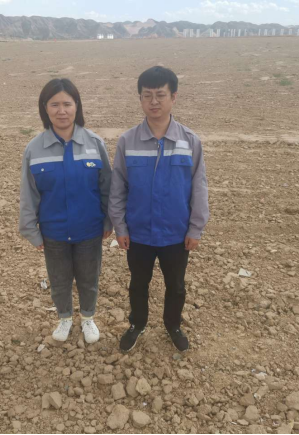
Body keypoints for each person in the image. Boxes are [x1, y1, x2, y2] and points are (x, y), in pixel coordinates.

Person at [109, 66, 209, 353]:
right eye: (147, 95)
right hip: (138, 232)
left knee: (176, 285)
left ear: (173, 97)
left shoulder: (189, 141)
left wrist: (195, 229)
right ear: (140, 99)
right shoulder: (128, 141)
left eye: (160, 95)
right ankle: (137, 324)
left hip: (176, 234)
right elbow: (118, 188)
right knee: (138, 283)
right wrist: (120, 227)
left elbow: (199, 187)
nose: (154, 101)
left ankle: (173, 325)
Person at [20, 78, 113, 344]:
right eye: (54, 104)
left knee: (88, 278)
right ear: (45, 108)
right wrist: (31, 231)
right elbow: (29, 193)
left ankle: (87, 318)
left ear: (77, 106)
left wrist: (109, 220)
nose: (62, 111)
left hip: (89, 229)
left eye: (67, 104)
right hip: (54, 232)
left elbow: (108, 187)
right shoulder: (34, 149)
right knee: (59, 279)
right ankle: (64, 318)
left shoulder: (94, 144)